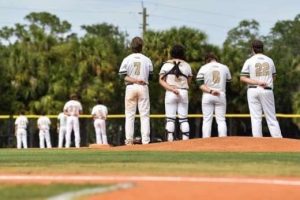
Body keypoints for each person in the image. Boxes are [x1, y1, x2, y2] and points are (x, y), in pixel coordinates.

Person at [240, 39, 282, 138]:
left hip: (253, 90)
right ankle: (279, 141)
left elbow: (242, 77)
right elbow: (274, 77)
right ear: (262, 48)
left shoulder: (249, 60)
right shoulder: (269, 60)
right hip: (267, 89)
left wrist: (257, 82)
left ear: (252, 49)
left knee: (255, 118)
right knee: (271, 117)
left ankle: (258, 142)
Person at [118, 36, 153, 145]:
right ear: (142, 47)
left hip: (130, 87)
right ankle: (146, 141)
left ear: (131, 47)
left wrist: (134, 80)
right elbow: (151, 77)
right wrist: (140, 80)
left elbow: (122, 75)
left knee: (129, 115)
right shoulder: (147, 59)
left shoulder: (127, 59)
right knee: (144, 115)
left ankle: (129, 141)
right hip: (143, 87)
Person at [159, 44, 193, 141]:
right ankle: (185, 140)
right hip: (183, 92)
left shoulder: (166, 65)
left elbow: (161, 80)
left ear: (171, 53)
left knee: (170, 119)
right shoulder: (187, 66)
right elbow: (189, 81)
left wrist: (171, 88)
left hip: (171, 92)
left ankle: (170, 141)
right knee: (183, 119)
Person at [196, 53, 232, 138]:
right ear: (216, 59)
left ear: (206, 60)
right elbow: (228, 82)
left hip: (208, 94)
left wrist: (211, 91)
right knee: (221, 120)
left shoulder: (204, 67)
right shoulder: (224, 67)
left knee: (207, 120)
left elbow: (200, 84)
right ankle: (223, 140)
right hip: (220, 94)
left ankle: (206, 140)